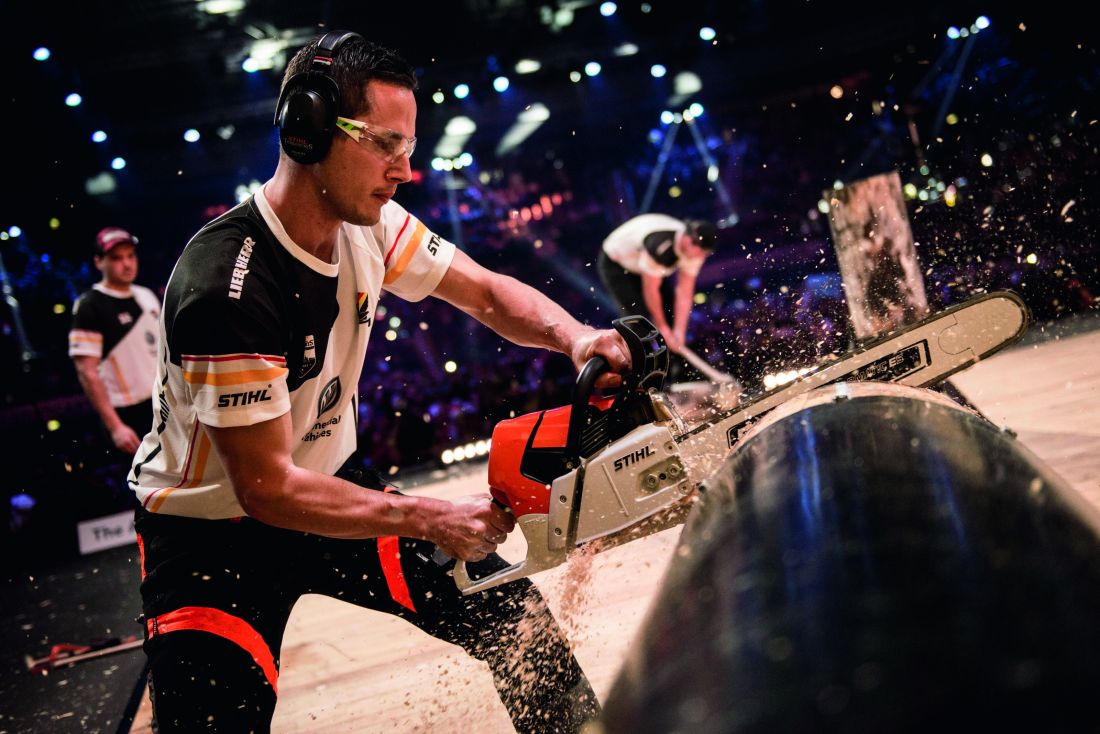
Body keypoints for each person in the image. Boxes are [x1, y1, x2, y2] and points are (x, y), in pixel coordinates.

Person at [129, 31, 631, 733]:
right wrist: (429, 516)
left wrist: (575, 336)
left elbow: (487, 293)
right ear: (306, 130)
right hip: (211, 539)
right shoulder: (227, 288)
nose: (405, 169)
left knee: (510, 612)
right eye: (385, 144)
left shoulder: (372, 222)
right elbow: (266, 489)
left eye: (408, 145)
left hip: (331, 488)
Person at [68, 227, 159, 455]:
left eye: (130, 256)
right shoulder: (89, 306)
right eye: (117, 258)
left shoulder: (146, 295)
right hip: (127, 412)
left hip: (161, 401)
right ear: (99, 262)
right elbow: (87, 372)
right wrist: (115, 426)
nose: (127, 264)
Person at [596, 213, 719, 354]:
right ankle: (640, 360)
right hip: (616, 263)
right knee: (637, 318)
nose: (697, 256)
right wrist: (663, 328)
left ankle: (675, 362)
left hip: (645, 265)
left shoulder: (696, 253)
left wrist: (679, 332)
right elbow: (651, 290)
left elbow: (684, 293)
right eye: (697, 249)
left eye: (703, 253)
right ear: (688, 236)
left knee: (670, 312)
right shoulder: (660, 245)